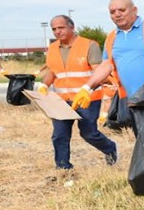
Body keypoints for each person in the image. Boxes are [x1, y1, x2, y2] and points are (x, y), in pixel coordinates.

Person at [69, 0, 144, 128]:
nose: (117, 14)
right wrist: (87, 88)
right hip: (135, 97)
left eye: (122, 10)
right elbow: (106, 65)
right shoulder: (112, 37)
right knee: (143, 138)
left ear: (134, 10)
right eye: (112, 12)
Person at [37, 15, 117, 170]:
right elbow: (52, 72)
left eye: (61, 28)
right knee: (59, 135)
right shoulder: (52, 48)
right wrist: (44, 85)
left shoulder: (89, 45)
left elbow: (99, 72)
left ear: (71, 27)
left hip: (87, 99)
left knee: (89, 134)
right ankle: (63, 168)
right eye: (54, 29)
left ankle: (110, 148)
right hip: (61, 101)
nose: (57, 32)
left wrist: (89, 90)